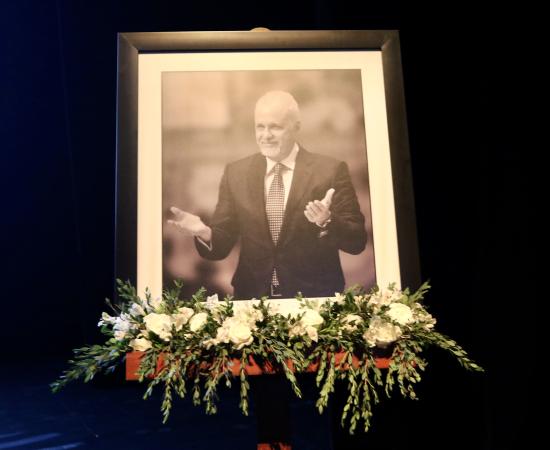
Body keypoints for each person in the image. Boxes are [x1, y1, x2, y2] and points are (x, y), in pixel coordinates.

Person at [168, 90, 367, 299]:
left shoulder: (330, 171)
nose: (266, 135)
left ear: (296, 126)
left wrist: (327, 221)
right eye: (260, 126)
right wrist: (203, 232)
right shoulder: (236, 173)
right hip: (252, 298)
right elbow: (221, 245)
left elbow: (357, 241)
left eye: (275, 127)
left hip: (313, 298)